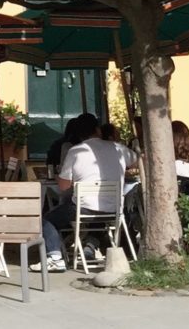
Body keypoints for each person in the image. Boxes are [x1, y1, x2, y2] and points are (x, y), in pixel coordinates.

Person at [35, 112, 136, 272]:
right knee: (98, 211)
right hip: (114, 208)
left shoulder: (76, 151)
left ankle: (55, 257)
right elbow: (137, 160)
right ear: (98, 130)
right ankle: (89, 246)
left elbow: (62, 186)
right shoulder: (119, 149)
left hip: (84, 208)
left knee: (46, 220)